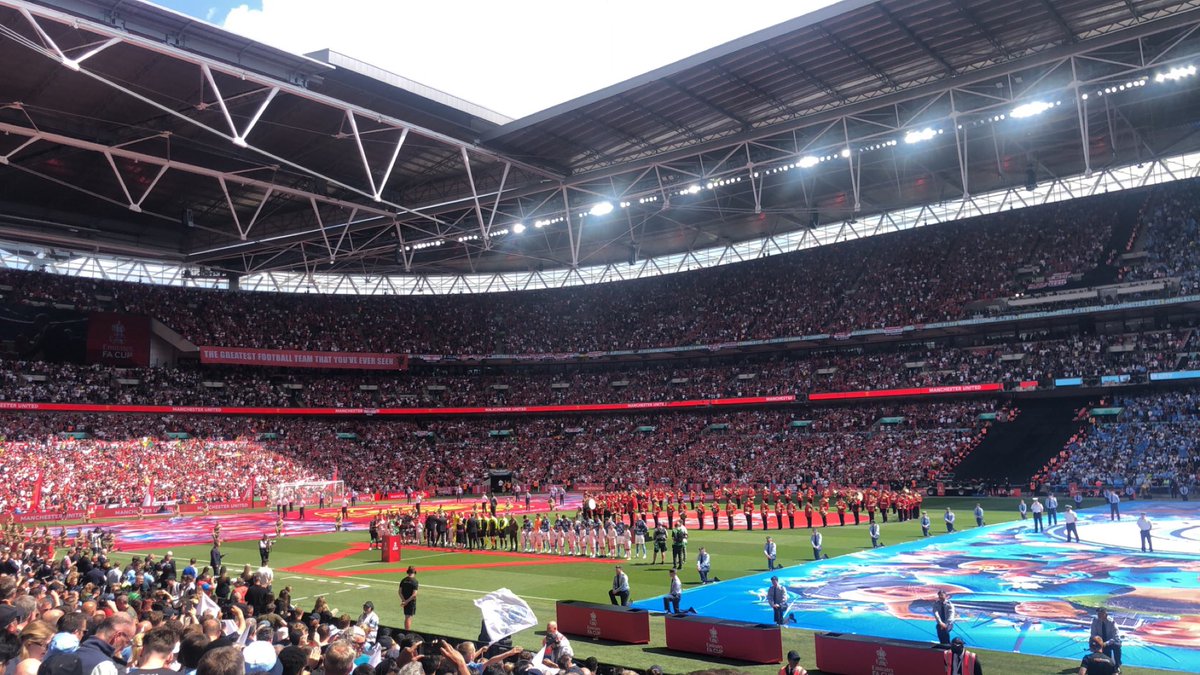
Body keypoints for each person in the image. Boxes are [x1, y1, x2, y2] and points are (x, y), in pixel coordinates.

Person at [398, 566, 419, 631]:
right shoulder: (415, 581)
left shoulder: (403, 580)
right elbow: (414, 594)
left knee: (406, 617)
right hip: (410, 602)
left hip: (405, 600)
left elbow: (400, 592)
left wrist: (404, 600)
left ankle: (406, 629)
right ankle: (407, 631)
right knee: (408, 617)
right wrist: (407, 601)